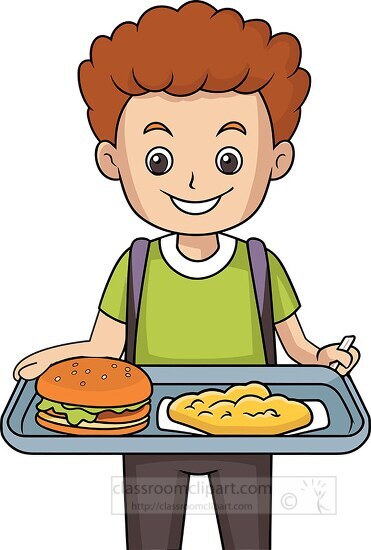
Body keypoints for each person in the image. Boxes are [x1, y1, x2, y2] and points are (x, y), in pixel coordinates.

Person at [13, 2, 360, 549]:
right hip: (146, 427)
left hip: (254, 430)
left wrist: (323, 360)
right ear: (113, 160)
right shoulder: (136, 266)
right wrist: (57, 360)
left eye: (228, 158)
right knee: (151, 541)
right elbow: (106, 348)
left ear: (276, 158)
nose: (195, 179)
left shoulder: (261, 266)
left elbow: (298, 346)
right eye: (158, 159)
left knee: (249, 541)